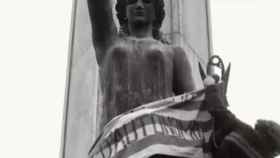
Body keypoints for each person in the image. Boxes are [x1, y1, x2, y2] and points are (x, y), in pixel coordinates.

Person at [87, 0, 196, 133]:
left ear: (156, 11)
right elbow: (98, 6)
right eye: (132, 1)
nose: (139, 5)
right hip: (115, 142)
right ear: (124, 10)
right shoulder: (108, 44)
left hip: (156, 141)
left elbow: (193, 107)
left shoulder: (174, 53)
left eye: (147, 1)